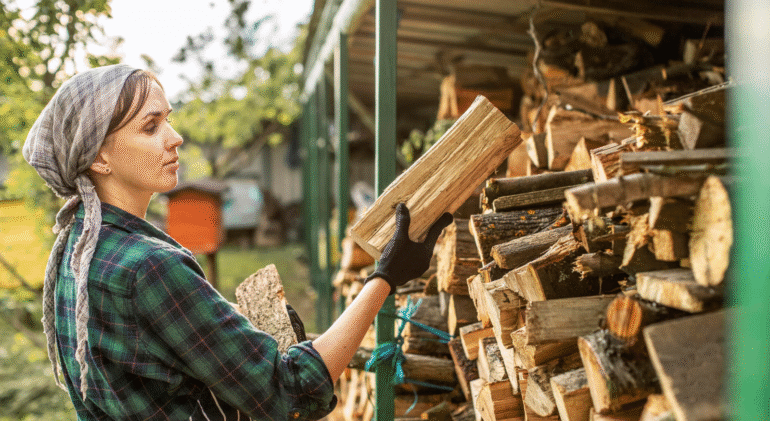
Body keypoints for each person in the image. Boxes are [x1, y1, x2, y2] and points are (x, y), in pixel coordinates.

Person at [23, 64, 453, 420]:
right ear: (99, 156)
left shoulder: (73, 249)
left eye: (168, 119)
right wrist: (386, 275)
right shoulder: (149, 267)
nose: (174, 137)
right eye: (151, 127)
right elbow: (292, 394)